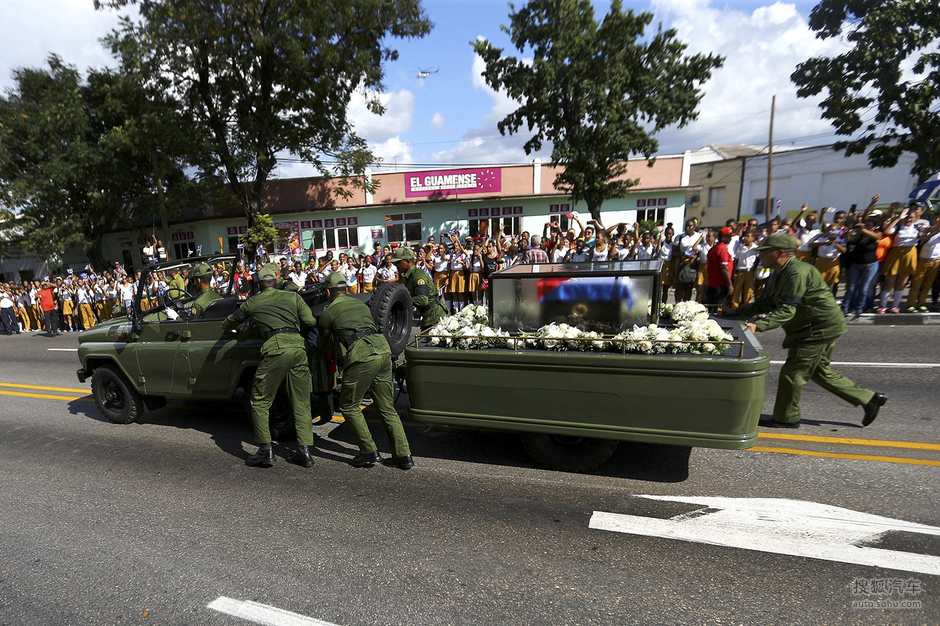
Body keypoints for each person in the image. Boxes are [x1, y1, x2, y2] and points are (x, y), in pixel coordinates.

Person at [723, 232, 886, 428]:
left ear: (779, 253)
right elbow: (767, 302)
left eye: (764, 252)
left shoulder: (797, 273)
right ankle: (869, 400)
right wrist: (737, 312)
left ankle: (787, 418)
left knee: (793, 373)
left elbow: (787, 309)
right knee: (819, 372)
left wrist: (758, 325)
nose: (760, 256)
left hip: (818, 328)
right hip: (818, 325)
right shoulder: (780, 272)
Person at [221, 264, 317, 468]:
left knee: (260, 400)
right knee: (301, 401)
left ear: (258, 284)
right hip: (299, 348)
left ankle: (266, 450)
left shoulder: (253, 303)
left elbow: (229, 323)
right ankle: (304, 451)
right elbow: (309, 320)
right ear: (276, 280)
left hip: (276, 349)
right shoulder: (293, 297)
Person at [317, 272, 413, 469]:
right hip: (383, 350)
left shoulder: (329, 311)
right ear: (345, 289)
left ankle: (369, 452)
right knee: (386, 408)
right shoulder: (360, 304)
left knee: (349, 405)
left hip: (362, 355)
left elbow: (323, 342)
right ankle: (403, 456)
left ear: (328, 292)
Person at [393, 246, 448, 330]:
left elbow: (423, 299)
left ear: (408, 261)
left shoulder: (418, 276)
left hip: (435, 317)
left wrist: (403, 300)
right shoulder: (409, 276)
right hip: (429, 316)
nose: (396, 265)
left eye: (398, 262)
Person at [704, 227, 734, 307]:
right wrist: (730, 284)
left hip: (713, 282)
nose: (731, 239)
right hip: (720, 284)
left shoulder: (714, 248)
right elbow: (724, 268)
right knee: (718, 307)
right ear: (723, 238)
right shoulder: (722, 249)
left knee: (711, 306)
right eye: (729, 237)